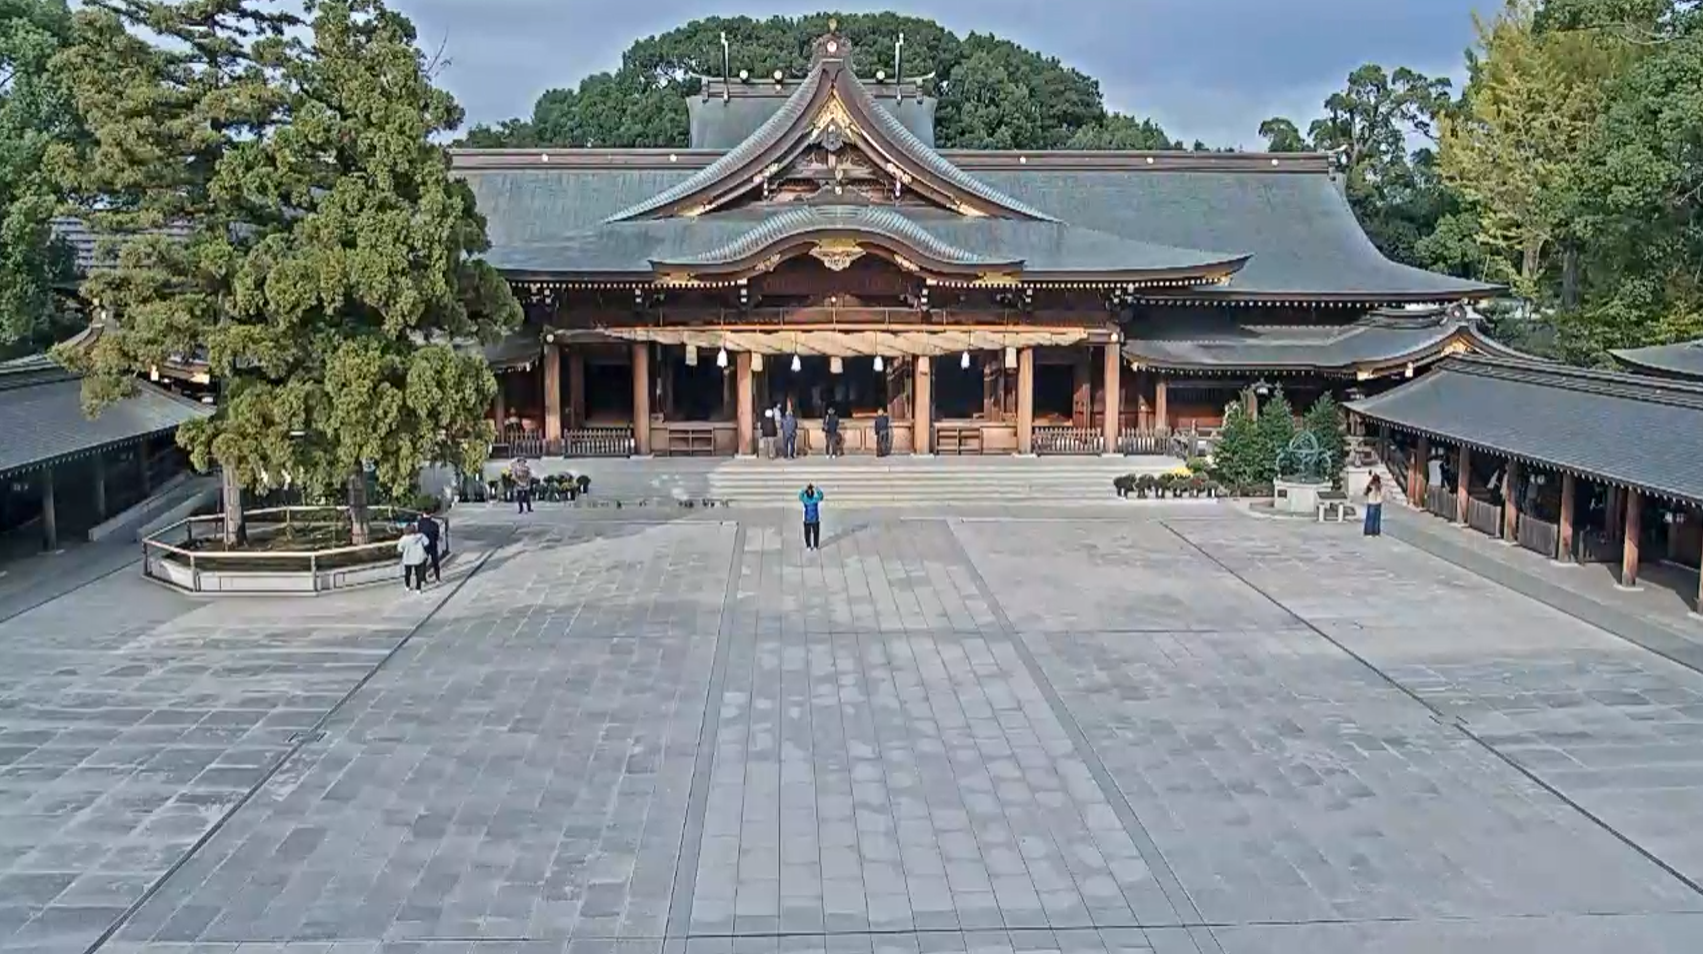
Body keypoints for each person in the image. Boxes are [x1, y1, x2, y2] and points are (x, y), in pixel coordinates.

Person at [396, 522, 429, 591]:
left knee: (408, 573)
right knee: (418, 574)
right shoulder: (421, 536)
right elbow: (427, 543)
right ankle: (418, 588)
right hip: (419, 557)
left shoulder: (403, 539)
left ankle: (407, 586)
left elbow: (400, 549)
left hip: (408, 558)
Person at [417, 511, 442, 583]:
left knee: (423, 562)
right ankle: (437, 578)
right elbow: (437, 536)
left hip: (424, 545)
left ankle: (423, 578)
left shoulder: (420, 523)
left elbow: (419, 533)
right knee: (435, 562)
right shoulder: (435, 524)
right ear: (431, 514)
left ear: (423, 514)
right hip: (433, 545)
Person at [799, 483, 824, 550]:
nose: (810, 493)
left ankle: (815, 545)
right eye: (808, 492)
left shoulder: (815, 499)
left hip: (815, 519)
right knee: (807, 534)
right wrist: (805, 489)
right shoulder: (806, 499)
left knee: (816, 533)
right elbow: (800, 496)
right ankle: (808, 545)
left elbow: (821, 496)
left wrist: (816, 488)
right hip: (807, 519)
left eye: (811, 491)